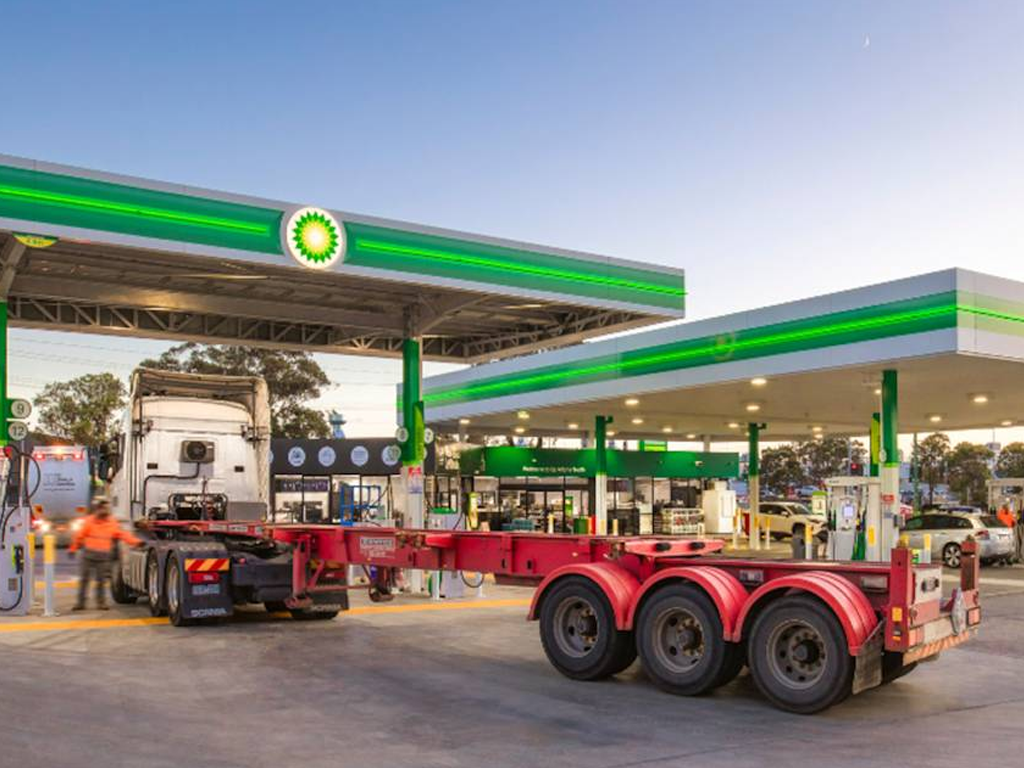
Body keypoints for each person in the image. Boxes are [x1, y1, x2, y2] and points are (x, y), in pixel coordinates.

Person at [69, 496, 142, 610]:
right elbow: (79, 536)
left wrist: (136, 542)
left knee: (101, 581)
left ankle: (101, 603)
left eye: (105, 507)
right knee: (84, 580)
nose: (103, 510)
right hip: (88, 556)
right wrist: (73, 549)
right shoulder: (89, 521)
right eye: (101, 507)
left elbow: (123, 535)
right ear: (96, 508)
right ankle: (80, 603)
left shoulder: (112, 523)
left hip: (103, 557)